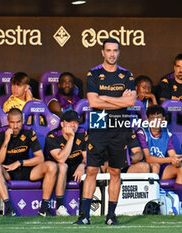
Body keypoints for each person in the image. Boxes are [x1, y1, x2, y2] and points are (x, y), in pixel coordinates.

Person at [74, 38, 136, 225]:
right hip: (98, 125)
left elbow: (131, 102)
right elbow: (93, 102)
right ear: (102, 52)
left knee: (115, 171)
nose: (112, 54)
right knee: (91, 169)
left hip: (120, 125)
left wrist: (105, 97)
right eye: (108, 50)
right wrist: (118, 100)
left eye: (115, 50)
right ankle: (85, 216)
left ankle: (111, 216)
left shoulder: (127, 75)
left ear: (119, 52)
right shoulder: (93, 74)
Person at [0, 108, 57, 216]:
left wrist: (19, 163)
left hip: (24, 168)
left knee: (52, 166)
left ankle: (44, 208)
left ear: (23, 121)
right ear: (8, 122)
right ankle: (8, 208)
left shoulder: (28, 131)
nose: (15, 126)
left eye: (18, 122)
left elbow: (40, 158)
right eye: (12, 122)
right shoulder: (0, 133)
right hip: (7, 171)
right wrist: (7, 140)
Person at [136, 105, 182, 203]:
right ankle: (153, 201)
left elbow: (172, 154)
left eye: (159, 118)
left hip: (161, 169)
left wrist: (176, 160)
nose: (156, 121)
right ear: (148, 119)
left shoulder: (166, 133)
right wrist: (170, 159)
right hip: (146, 169)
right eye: (152, 118)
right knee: (155, 165)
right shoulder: (142, 132)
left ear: (164, 119)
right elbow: (148, 158)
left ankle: (178, 204)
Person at [45, 110, 86, 216]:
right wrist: (71, 138)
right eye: (69, 122)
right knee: (63, 166)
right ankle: (59, 207)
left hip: (76, 170)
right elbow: (61, 159)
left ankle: (87, 207)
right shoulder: (53, 136)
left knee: (93, 168)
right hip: (56, 173)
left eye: (76, 122)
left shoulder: (82, 133)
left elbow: (87, 157)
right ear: (62, 124)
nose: (73, 125)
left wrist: (82, 165)